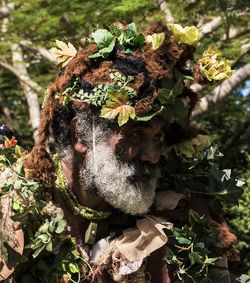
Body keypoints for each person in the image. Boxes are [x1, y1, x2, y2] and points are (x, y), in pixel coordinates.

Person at [0, 22, 241, 283]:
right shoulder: (17, 207)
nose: (153, 156)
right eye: (135, 134)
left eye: (158, 136)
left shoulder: (178, 217)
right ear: (81, 136)